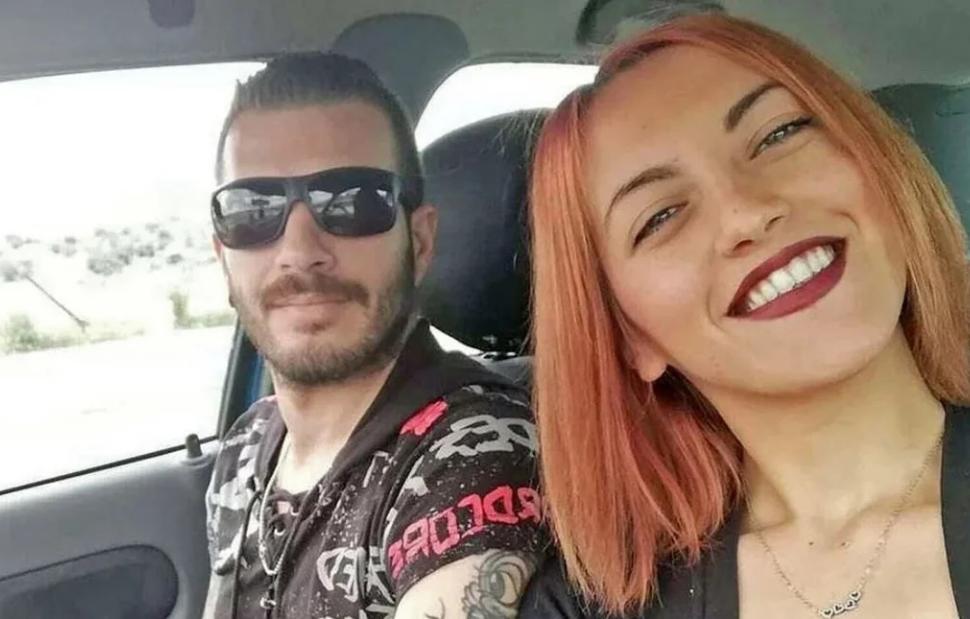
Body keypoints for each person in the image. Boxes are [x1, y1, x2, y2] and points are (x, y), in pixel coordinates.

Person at [520, 13, 970, 619]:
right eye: (660, 216)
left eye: (779, 134)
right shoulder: (594, 608)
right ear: (631, 338)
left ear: (878, 164)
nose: (746, 214)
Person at [203, 53, 544, 619]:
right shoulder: (246, 446)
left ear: (420, 242)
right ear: (223, 256)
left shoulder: (478, 453)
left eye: (354, 202)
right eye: (253, 210)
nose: (299, 253)